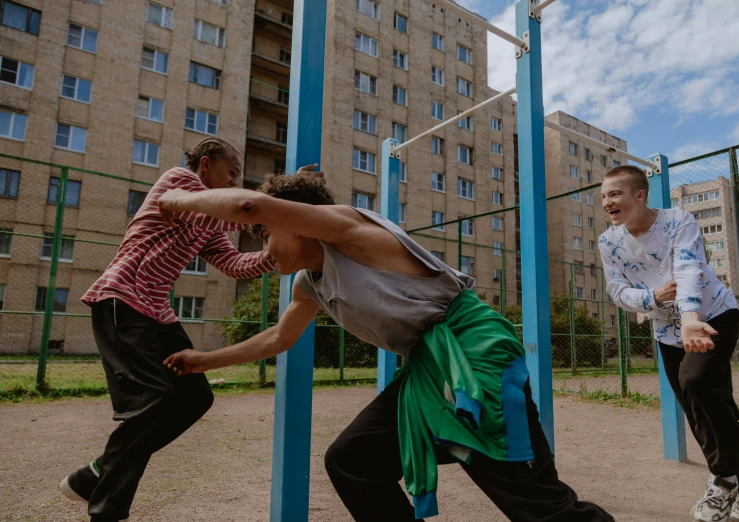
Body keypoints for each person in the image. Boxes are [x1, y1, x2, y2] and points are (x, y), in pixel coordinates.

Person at [160, 170, 614, 522]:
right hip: (425, 367)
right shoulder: (309, 284)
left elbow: (248, 203)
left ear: (294, 223)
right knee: (353, 460)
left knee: (531, 499)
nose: (265, 246)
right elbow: (280, 337)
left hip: (472, 352)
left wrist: (177, 200)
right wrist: (204, 360)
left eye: (266, 233)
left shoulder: (348, 229)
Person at [59, 138, 276, 522]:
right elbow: (232, 211)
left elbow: (233, 264)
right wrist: (282, 209)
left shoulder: (207, 223)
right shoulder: (177, 184)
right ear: (205, 166)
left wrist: (273, 257)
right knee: (154, 398)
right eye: (231, 174)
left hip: (156, 311)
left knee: (195, 397)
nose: (232, 183)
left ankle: (95, 474)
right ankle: (106, 511)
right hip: (121, 299)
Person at [598, 165, 739, 522]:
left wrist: (692, 319)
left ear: (639, 195)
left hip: (713, 317)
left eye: (614, 194)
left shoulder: (679, 220)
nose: (607, 203)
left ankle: (723, 480)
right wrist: (652, 298)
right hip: (668, 330)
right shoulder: (609, 242)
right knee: (698, 405)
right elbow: (617, 291)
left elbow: (688, 269)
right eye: (603, 197)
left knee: (695, 383)